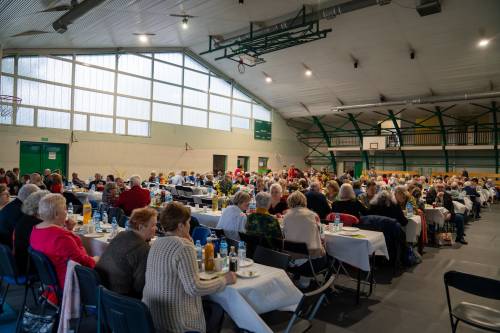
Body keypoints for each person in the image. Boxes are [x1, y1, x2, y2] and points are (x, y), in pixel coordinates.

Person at [142, 202, 236, 333]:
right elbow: (194, 288)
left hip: (153, 317)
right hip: (177, 324)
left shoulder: (156, 243)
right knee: (217, 309)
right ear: (181, 226)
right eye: (188, 222)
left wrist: (190, 243)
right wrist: (225, 280)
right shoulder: (183, 247)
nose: (189, 225)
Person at [30, 194, 96, 302]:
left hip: (50, 279)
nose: (66, 212)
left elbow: (62, 251)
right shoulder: (61, 237)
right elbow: (83, 262)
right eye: (65, 209)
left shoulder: (36, 230)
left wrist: (67, 229)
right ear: (56, 214)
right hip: (68, 279)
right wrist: (96, 259)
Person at [96, 207, 157, 299]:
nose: (155, 228)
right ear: (141, 227)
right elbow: (140, 286)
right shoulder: (143, 249)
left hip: (101, 292)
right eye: (153, 225)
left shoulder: (121, 235)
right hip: (120, 298)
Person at [14, 190, 50, 274]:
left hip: (22, 261)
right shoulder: (37, 224)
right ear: (41, 207)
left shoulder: (26, 218)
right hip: (29, 265)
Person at [283, 191, 325, 258]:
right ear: (304, 201)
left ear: (289, 202)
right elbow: (322, 235)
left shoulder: (286, 216)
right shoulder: (313, 215)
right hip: (312, 257)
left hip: (292, 256)